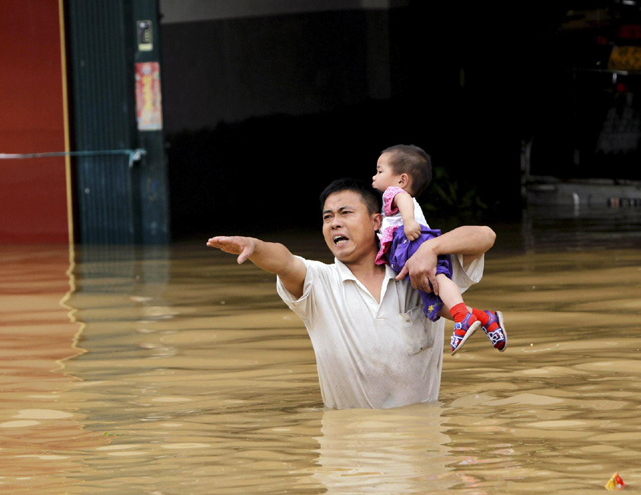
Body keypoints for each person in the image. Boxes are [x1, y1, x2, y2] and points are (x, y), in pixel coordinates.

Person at [207, 178, 497, 410]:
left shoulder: (418, 272)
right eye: (327, 217)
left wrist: (430, 249)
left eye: (346, 213)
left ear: (376, 221)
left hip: (421, 454)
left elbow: (485, 236)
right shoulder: (319, 283)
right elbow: (284, 261)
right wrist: (255, 246)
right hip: (350, 461)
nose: (335, 222)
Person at [372, 144, 506, 354]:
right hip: (408, 251)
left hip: (413, 243)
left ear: (402, 180)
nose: (374, 176)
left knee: (439, 279)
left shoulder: (393, 193)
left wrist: (408, 222)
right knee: (434, 303)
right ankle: (484, 318)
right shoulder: (387, 207)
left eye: (379, 171)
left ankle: (462, 316)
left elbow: (404, 200)